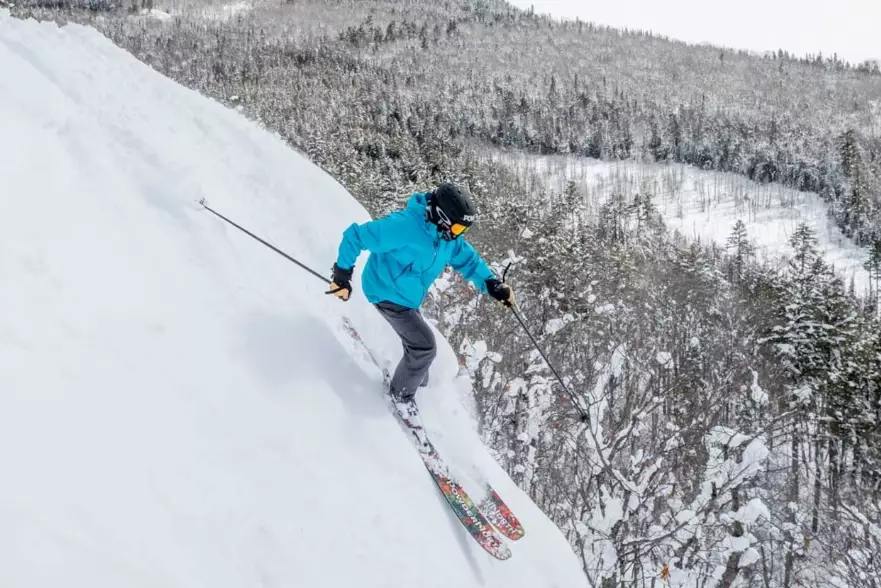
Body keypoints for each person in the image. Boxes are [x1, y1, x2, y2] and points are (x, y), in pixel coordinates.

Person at [328, 183, 514, 418]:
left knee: (420, 347)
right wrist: (342, 275)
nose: (457, 234)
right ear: (441, 215)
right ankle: (401, 397)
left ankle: (416, 383)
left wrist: (491, 283)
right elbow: (355, 236)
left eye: (462, 230)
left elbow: (469, 261)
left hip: (408, 295)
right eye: (457, 227)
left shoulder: (447, 237)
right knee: (424, 346)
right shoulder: (404, 226)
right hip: (385, 290)